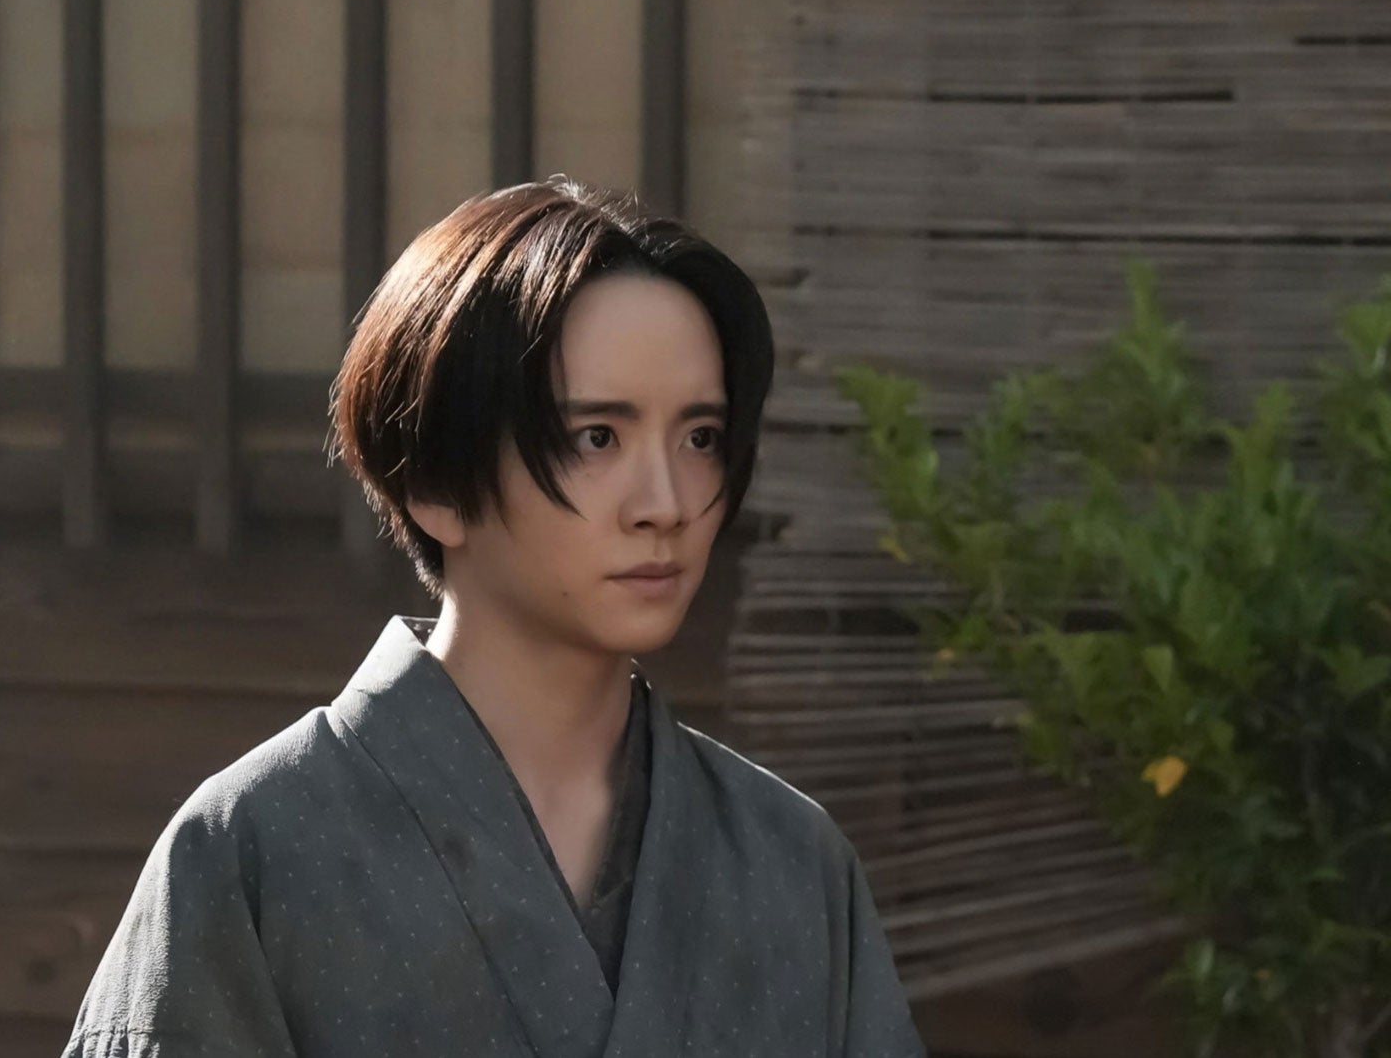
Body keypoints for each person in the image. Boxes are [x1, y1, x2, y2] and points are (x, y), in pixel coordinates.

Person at [60, 179, 924, 1057]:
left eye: (700, 438)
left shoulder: (790, 859)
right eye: (597, 437)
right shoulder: (253, 846)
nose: (665, 503)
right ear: (436, 481)